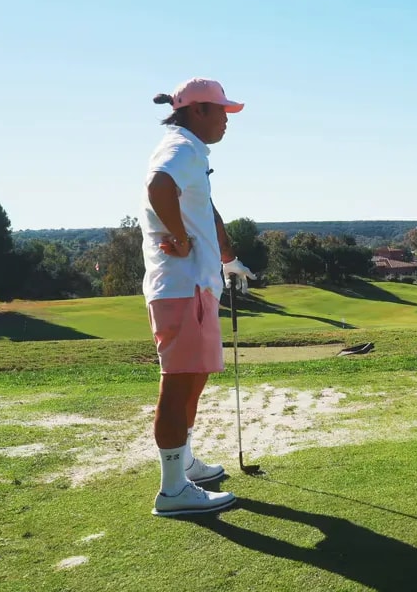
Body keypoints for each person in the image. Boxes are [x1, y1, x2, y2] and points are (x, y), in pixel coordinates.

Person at [141, 77, 257, 517]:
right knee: (178, 382)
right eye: (221, 111)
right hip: (181, 287)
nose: (227, 120)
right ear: (197, 111)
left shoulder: (192, 153)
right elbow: (158, 187)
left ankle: (184, 461)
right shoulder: (181, 148)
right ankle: (173, 490)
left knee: (195, 376)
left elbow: (204, 209)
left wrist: (227, 257)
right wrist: (179, 237)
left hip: (198, 286)